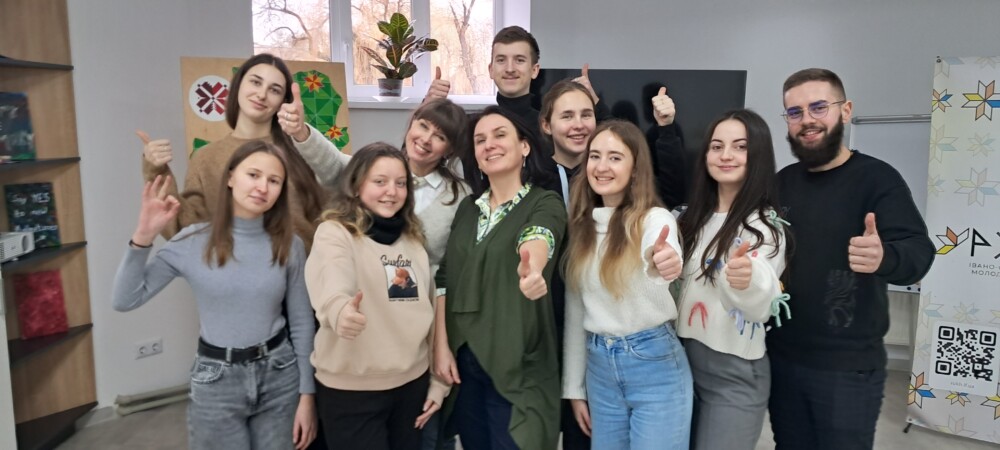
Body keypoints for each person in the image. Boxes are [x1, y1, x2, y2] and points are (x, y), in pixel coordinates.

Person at [766, 68, 935, 450]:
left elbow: (920, 252)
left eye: (818, 107)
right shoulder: (781, 182)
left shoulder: (878, 179)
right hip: (782, 359)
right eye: (795, 112)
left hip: (847, 370)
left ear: (845, 110)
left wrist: (885, 256)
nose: (807, 120)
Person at [111, 141, 317, 450]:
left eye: (274, 181)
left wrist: (307, 395)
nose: (262, 187)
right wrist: (143, 237)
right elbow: (125, 299)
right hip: (216, 380)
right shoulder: (192, 241)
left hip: (279, 373)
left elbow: (301, 323)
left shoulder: (290, 244)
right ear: (231, 177)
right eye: (253, 175)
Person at [433, 106, 566, 449]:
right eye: (480, 140)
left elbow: (539, 235)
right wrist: (442, 346)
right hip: (464, 363)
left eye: (500, 135)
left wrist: (533, 268)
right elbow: (445, 277)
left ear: (525, 146)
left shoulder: (545, 202)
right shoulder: (468, 209)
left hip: (518, 361)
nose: (489, 144)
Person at [304, 143, 450, 449]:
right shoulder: (335, 233)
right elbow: (332, 280)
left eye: (401, 183)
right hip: (352, 392)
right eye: (380, 181)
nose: (391, 192)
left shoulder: (413, 241)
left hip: (411, 386)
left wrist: (438, 382)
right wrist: (341, 311)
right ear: (357, 186)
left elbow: (428, 313)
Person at [561, 119, 692, 450]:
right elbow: (577, 312)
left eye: (615, 157)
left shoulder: (653, 219)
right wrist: (575, 389)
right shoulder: (583, 228)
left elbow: (660, 250)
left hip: (654, 367)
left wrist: (664, 260)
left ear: (635, 169)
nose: (601, 166)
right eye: (595, 156)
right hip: (600, 372)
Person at [676, 109, 789, 450]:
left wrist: (747, 281)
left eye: (740, 147)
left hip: (733, 374)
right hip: (680, 364)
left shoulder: (765, 227)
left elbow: (762, 303)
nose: (726, 155)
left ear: (758, 155)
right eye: (717, 146)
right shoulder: (689, 220)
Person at [138, 53, 329, 248]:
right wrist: (156, 170)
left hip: (306, 266)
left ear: (283, 101)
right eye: (255, 82)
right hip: (233, 266)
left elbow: (333, 215)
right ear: (238, 85)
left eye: (274, 90)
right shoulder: (206, 158)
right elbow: (184, 228)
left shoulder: (304, 149)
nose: (262, 94)